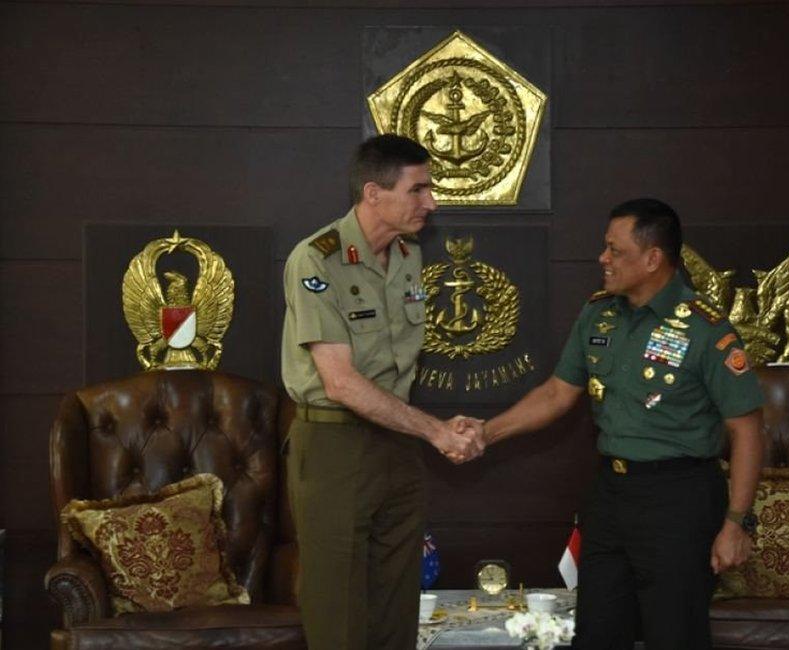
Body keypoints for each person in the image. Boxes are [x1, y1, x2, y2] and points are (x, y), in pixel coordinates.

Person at [468, 198, 764, 649]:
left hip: (679, 499)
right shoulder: (598, 313)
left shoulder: (706, 329)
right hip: (611, 495)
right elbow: (556, 394)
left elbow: (746, 430)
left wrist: (735, 523)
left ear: (653, 258)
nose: (602, 259)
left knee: (675, 634)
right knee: (598, 631)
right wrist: (485, 434)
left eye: (614, 250)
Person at [281, 134, 483, 650]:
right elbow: (340, 382)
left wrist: (422, 433)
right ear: (374, 193)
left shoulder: (408, 254)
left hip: (396, 445)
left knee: (398, 602)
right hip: (335, 447)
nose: (430, 203)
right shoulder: (317, 259)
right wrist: (436, 431)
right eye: (418, 190)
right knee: (340, 612)